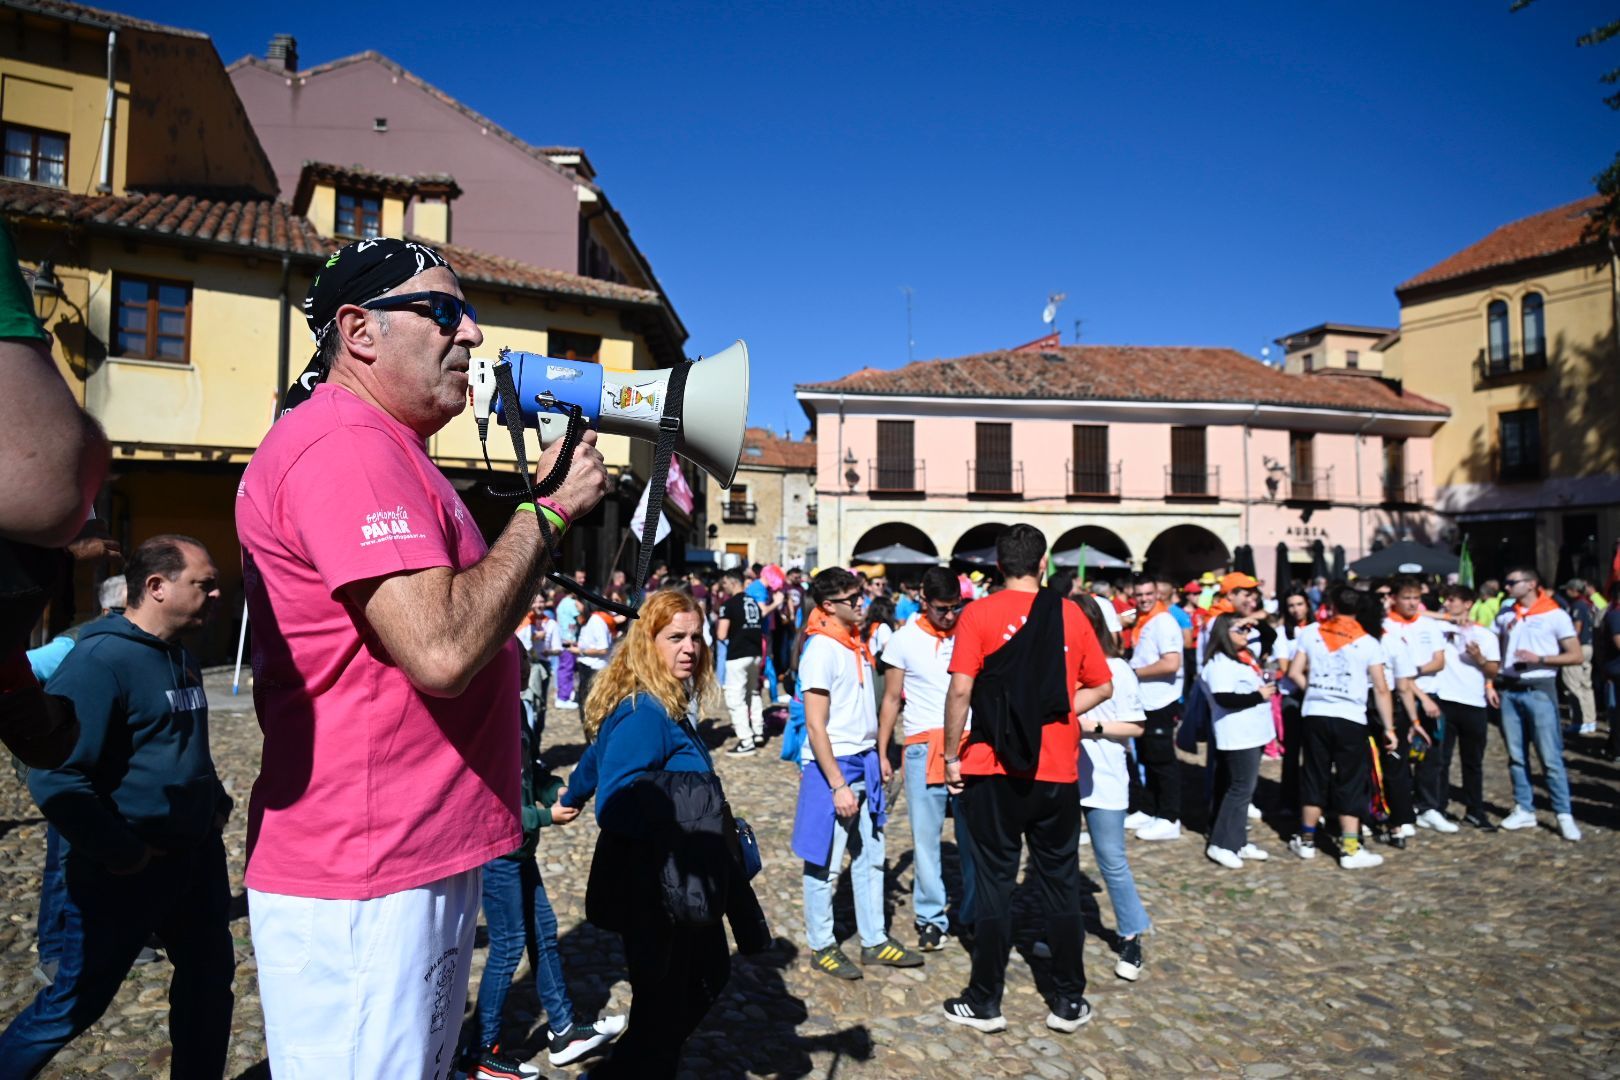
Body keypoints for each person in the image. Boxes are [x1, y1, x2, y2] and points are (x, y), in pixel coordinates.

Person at [234, 237, 608, 1076]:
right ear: (359, 331)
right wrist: (546, 514)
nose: (471, 334)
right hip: (370, 863)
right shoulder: (346, 445)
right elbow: (440, 649)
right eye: (443, 311)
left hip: (405, 850)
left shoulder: (384, 446)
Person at [0, 536, 234, 1074]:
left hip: (195, 864)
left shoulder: (181, 656)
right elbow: (55, 779)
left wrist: (213, 800)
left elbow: (182, 745)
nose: (218, 592)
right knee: (73, 1006)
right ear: (156, 587)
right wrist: (123, 852)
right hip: (126, 873)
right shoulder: (100, 660)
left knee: (207, 987)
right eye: (204, 583)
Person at [577, 589, 768, 1078]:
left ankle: (634, 1063)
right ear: (647, 642)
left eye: (697, 637)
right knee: (673, 999)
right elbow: (616, 801)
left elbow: (598, 756)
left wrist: (570, 793)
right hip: (658, 888)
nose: (690, 647)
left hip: (680, 885)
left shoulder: (666, 703)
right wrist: (687, 831)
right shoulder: (646, 712)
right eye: (675, 637)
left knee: (682, 992)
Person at [940, 524, 1113, 1034]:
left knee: (995, 885)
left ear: (997, 566)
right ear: (1044, 565)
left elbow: (959, 692)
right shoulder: (1071, 614)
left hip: (992, 768)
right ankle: (1066, 1000)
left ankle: (985, 1001)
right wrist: (1054, 716)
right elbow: (1101, 685)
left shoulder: (977, 614)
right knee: (1060, 884)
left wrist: (952, 756)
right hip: (1056, 769)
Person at [463, 676, 623, 1078]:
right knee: (508, 946)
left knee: (544, 930)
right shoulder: (480, 708)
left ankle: (564, 1030)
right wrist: (542, 816)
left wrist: (556, 791)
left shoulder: (517, 709)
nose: (522, 661)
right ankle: (481, 1050)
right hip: (498, 848)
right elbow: (482, 798)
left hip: (520, 846)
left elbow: (530, 770)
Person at [793, 567, 923, 979]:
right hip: (834, 768)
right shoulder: (821, 650)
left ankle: (874, 939)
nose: (861, 604)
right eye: (853, 599)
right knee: (824, 864)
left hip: (864, 759)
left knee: (871, 858)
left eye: (861, 596)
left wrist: (880, 753)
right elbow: (816, 725)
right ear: (829, 606)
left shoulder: (854, 642)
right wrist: (837, 785)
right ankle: (823, 944)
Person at [876, 566, 977, 952]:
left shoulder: (970, 631)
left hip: (968, 745)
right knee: (926, 841)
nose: (950, 616)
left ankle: (969, 913)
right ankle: (931, 919)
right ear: (923, 602)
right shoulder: (903, 640)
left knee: (972, 839)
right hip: (920, 746)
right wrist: (885, 749)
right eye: (942, 609)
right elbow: (891, 699)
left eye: (956, 607)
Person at [1286, 584, 1397, 870]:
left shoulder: (1311, 633)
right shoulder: (1369, 642)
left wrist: (1313, 690)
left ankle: (1307, 840)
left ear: (1332, 606)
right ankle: (1350, 848)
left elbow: (1294, 672)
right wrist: (1389, 727)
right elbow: (1382, 689)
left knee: (1314, 774)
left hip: (1315, 713)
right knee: (1351, 779)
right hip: (1351, 716)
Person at [1071, 593, 1151, 981]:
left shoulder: (1117, 669)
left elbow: (1136, 726)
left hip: (1104, 777)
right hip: (1064, 777)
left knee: (1111, 861)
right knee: (1059, 861)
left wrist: (1092, 728)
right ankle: (1061, 932)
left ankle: (1131, 934)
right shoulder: (1060, 664)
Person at [1493, 567, 1583, 840]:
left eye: (1512, 582)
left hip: (1540, 688)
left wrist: (1539, 659)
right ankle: (1524, 808)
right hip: (1509, 689)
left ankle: (1563, 813)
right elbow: (1491, 646)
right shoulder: (1506, 614)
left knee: (1550, 755)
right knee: (1516, 755)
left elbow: (1575, 655)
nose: (1507, 587)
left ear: (1531, 584)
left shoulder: (1555, 614)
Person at [1419, 585, 1501, 829]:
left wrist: (1479, 659)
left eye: (1453, 600)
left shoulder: (1485, 635)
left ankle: (1475, 810)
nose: (1447, 603)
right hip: (1444, 701)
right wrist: (1448, 617)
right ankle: (1438, 807)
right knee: (1440, 760)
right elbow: (1419, 616)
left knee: (1473, 761)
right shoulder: (1439, 628)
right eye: (1446, 599)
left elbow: (1493, 671)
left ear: (1468, 603)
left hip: (1473, 703)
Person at [1200, 613, 1277, 868]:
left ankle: (1238, 840)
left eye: (1246, 631)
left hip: (1251, 733)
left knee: (1240, 788)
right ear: (1224, 633)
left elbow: (1269, 636)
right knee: (1240, 789)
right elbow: (1224, 698)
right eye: (1239, 631)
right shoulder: (1220, 663)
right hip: (1236, 735)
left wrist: (1253, 620)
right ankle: (1221, 843)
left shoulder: (1244, 656)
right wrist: (1259, 695)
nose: (1246, 634)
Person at [1382, 576, 1447, 842]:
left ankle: (1428, 806)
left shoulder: (1429, 625)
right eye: (1406, 598)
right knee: (1400, 757)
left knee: (1430, 754)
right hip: (1400, 697)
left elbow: (1439, 661)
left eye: (1416, 598)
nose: (1411, 603)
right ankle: (1401, 809)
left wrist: (1411, 670)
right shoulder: (1386, 626)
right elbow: (1394, 672)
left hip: (1428, 693)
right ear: (1394, 599)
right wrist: (1406, 677)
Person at [1126, 574, 1185, 841]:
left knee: (1162, 761)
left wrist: (1134, 672)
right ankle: (1150, 809)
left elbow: (1171, 663)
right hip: (1145, 701)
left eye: (1149, 594)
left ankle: (1169, 816)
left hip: (1160, 700)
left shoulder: (1164, 622)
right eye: (1140, 595)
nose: (1144, 599)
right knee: (1147, 757)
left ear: (1157, 593)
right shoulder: (1142, 619)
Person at [717, 569, 770, 755]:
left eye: (724, 583)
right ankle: (758, 730)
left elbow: (721, 634)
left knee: (735, 697)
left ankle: (745, 740)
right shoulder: (754, 602)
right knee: (753, 692)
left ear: (732, 582)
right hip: (755, 652)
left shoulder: (729, 604)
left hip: (738, 653)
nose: (723, 586)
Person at [1558, 579, 1598, 735]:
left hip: (1578, 647)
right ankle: (1590, 720)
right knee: (1585, 685)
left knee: (1572, 684)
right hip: (1588, 646)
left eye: (1568, 589)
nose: (1566, 592)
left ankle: (1579, 721)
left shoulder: (1577, 605)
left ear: (1574, 590)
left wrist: (1568, 646)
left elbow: (1577, 627)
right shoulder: (1587, 604)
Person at [573, 601, 616, 736]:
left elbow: (603, 649)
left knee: (593, 712)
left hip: (594, 671)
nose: (575, 605)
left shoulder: (596, 620)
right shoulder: (590, 619)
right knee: (586, 711)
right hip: (587, 670)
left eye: (577, 601)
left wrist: (580, 651)